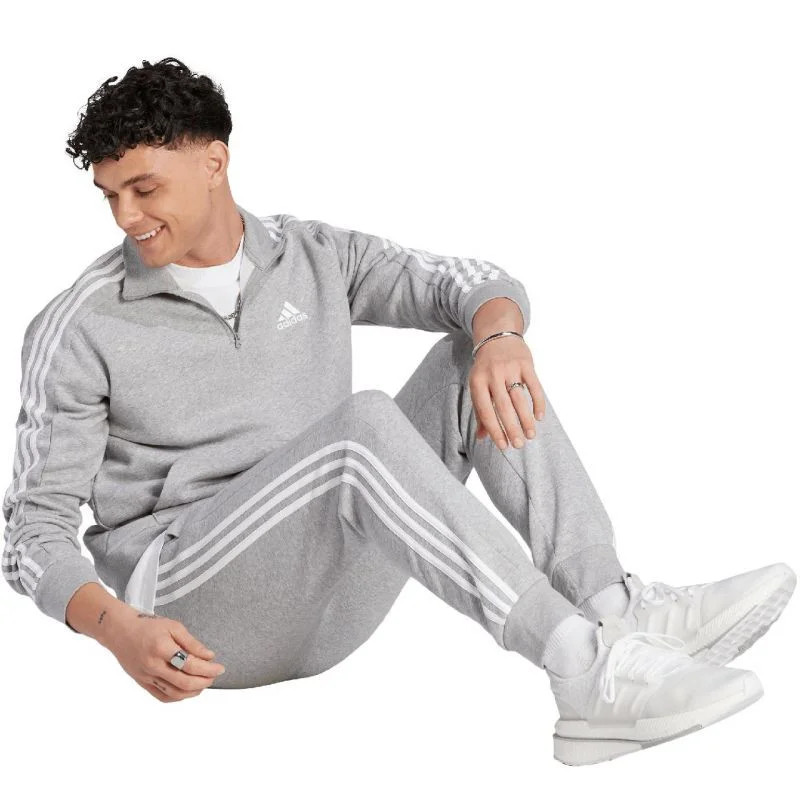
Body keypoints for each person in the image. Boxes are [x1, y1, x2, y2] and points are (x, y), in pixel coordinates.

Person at [2, 56, 795, 767]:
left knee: (468, 356)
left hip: (327, 603)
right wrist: (116, 629)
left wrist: (502, 335)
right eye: (110, 195)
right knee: (363, 430)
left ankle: (615, 611)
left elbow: (465, 279)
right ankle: (581, 666)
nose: (126, 217)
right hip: (191, 611)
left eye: (144, 189)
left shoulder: (311, 254)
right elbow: (28, 532)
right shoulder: (80, 324)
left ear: (214, 162)